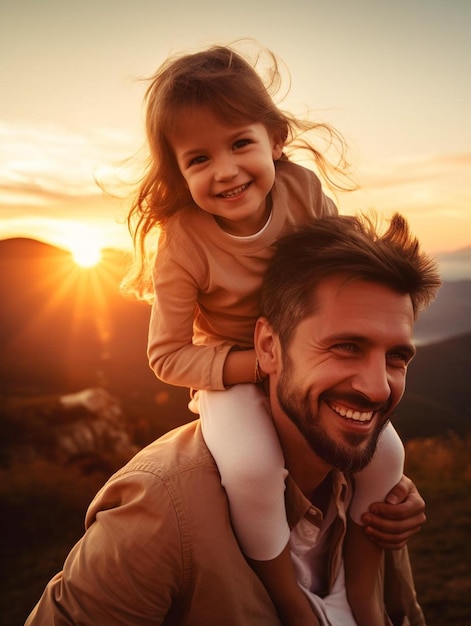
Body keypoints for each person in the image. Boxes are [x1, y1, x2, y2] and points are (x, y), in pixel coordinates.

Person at [120, 43, 420, 624]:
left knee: (386, 457)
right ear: (179, 173)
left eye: (239, 143)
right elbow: (166, 357)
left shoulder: (302, 191)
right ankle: (291, 599)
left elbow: (346, 271)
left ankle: (365, 595)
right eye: (199, 158)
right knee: (254, 469)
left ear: (274, 139)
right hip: (235, 372)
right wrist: (260, 367)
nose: (226, 170)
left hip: (305, 360)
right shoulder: (182, 243)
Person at [25, 212, 440, 625]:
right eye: (346, 346)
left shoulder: (374, 496)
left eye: (396, 357)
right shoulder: (160, 513)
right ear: (268, 347)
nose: (378, 388)